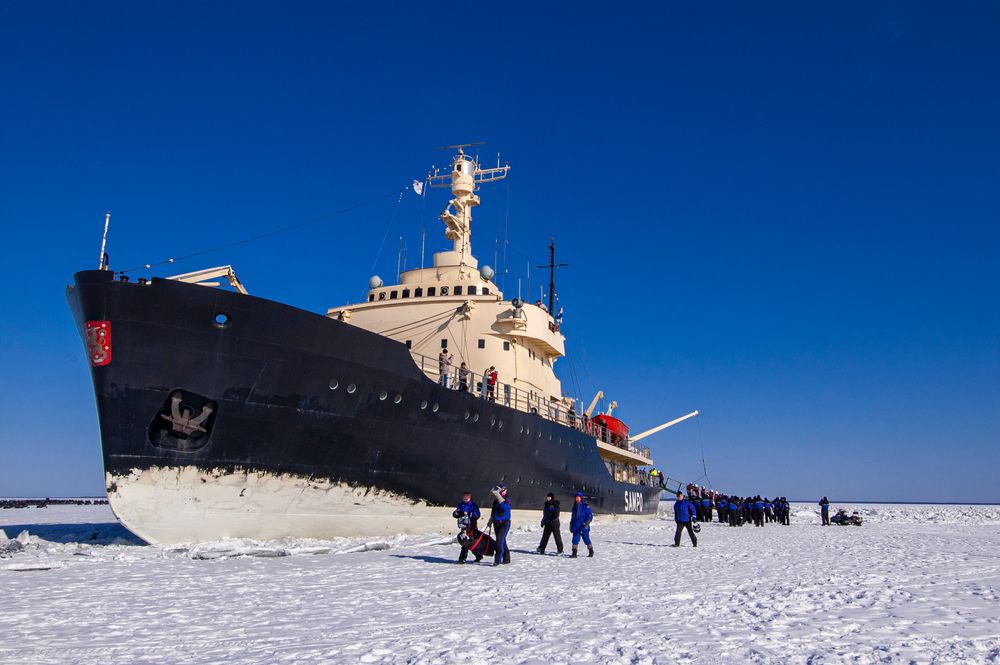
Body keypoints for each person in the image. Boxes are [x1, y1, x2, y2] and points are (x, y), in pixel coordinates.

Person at [453, 491, 481, 564]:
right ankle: (462, 559)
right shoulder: (461, 505)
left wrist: (469, 514)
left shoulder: (473, 505)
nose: (465, 500)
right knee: (464, 542)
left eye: (467, 499)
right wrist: (459, 513)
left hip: (472, 526)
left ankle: (478, 555)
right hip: (463, 526)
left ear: (470, 498)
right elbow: (456, 514)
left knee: (471, 542)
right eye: (464, 499)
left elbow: (477, 514)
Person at [489, 485, 511, 565]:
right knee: (502, 541)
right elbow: (493, 512)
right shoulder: (495, 501)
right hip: (496, 523)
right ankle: (506, 558)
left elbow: (504, 508)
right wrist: (490, 520)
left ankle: (497, 560)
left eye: (503, 490)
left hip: (504, 523)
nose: (502, 492)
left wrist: (498, 496)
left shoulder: (507, 500)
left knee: (499, 542)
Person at [568, 492, 594, 558]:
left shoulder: (585, 506)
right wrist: (571, 526)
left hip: (583, 526)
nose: (577, 499)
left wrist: (587, 522)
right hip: (576, 526)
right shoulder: (574, 507)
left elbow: (590, 515)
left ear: (581, 498)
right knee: (575, 540)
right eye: (576, 498)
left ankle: (591, 550)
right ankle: (574, 553)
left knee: (586, 539)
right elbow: (573, 518)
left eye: (578, 498)